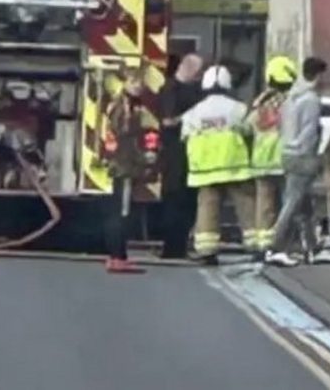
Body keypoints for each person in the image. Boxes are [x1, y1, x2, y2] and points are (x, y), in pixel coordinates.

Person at [265, 57, 330, 266]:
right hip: (303, 155)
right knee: (292, 203)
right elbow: (309, 130)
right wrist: (314, 154)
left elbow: (283, 125)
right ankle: (276, 248)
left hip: (288, 151)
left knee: (304, 205)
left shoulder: (291, 97)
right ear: (319, 76)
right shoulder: (311, 99)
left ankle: (312, 248)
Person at [182, 64, 260, 265]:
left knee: (207, 209)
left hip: (205, 170)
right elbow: (249, 131)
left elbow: (185, 136)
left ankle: (207, 251)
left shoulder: (193, 112)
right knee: (246, 206)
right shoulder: (239, 109)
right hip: (234, 166)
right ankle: (255, 246)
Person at [102, 72, 157, 274]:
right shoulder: (123, 108)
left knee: (121, 211)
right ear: (125, 83)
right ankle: (117, 257)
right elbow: (125, 138)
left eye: (141, 82)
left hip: (124, 165)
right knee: (121, 212)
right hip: (124, 167)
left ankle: (118, 255)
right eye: (134, 82)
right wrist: (143, 159)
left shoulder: (129, 105)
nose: (139, 86)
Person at [158, 53, 204, 259]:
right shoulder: (170, 89)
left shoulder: (196, 91)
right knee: (174, 201)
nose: (200, 76)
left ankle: (181, 245)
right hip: (174, 155)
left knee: (189, 203)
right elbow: (168, 121)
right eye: (198, 72)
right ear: (190, 70)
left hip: (192, 154)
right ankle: (171, 248)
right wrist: (190, 117)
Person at [249, 56, 296, 248]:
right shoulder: (292, 102)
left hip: (262, 161)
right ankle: (285, 243)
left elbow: (248, 125)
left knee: (264, 206)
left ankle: (264, 245)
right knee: (289, 204)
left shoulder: (260, 104)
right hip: (286, 159)